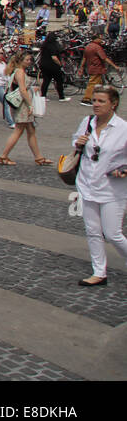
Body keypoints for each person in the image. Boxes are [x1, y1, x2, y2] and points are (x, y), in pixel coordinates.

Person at [73, 86, 127, 287]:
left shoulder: (123, 128)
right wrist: (78, 143)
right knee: (92, 231)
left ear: (113, 104)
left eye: (101, 101)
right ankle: (99, 272)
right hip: (87, 184)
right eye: (94, 100)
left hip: (113, 189)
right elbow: (75, 145)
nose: (95, 104)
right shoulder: (87, 122)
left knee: (113, 234)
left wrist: (124, 171)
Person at [0, 53, 50, 166]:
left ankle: (39, 158)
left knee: (31, 130)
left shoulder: (18, 71)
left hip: (23, 104)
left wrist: (31, 89)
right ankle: (4, 155)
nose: (29, 62)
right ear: (21, 61)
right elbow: (22, 90)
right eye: (27, 60)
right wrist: (30, 105)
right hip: (23, 106)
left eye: (30, 60)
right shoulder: (20, 72)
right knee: (19, 130)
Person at [79, 34, 120, 106]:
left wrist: (81, 67)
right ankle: (86, 99)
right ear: (96, 39)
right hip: (97, 68)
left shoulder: (88, 46)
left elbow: (84, 58)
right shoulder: (97, 47)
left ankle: (102, 97)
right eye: (100, 38)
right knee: (92, 84)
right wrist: (114, 66)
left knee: (99, 84)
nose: (101, 40)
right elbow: (104, 58)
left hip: (91, 67)